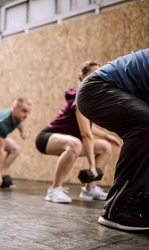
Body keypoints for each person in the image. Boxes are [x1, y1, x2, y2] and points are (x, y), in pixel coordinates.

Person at [76, 49, 149, 231]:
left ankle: (141, 204)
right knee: (146, 126)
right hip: (96, 89)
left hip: (107, 89)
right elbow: (86, 134)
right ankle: (117, 209)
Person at [35, 61, 121, 204]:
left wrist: (106, 136)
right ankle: (54, 190)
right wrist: (92, 166)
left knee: (105, 147)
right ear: (82, 76)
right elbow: (85, 134)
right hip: (47, 137)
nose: (96, 77)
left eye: (99, 75)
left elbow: (87, 127)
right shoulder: (79, 95)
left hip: (70, 140)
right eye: (92, 74)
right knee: (75, 144)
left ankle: (90, 188)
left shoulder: (89, 99)